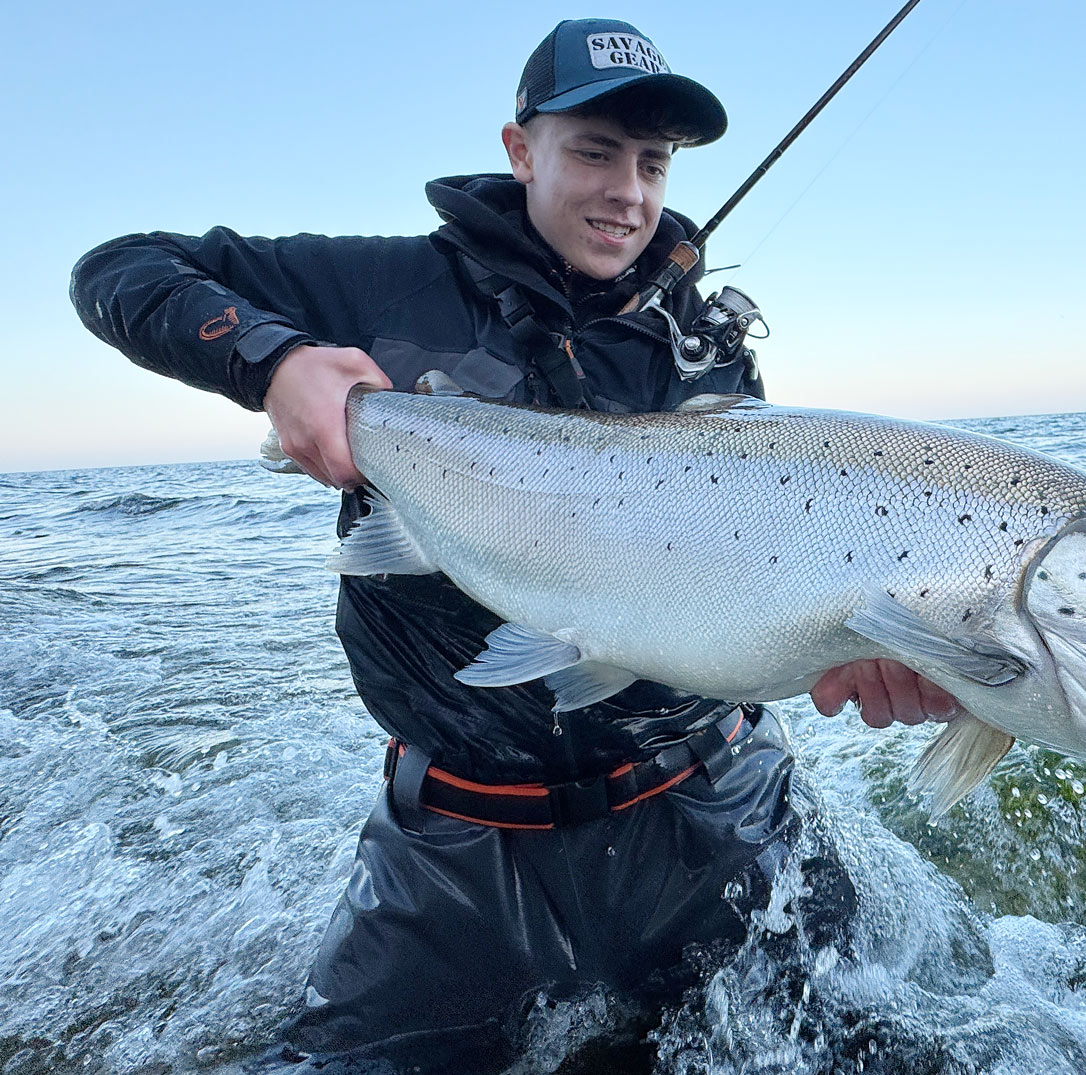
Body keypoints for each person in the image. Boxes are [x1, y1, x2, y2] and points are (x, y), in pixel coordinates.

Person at [70, 16, 957, 1073]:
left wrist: (850, 650)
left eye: (653, 163)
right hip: (459, 843)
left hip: (714, 809)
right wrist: (273, 360)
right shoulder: (382, 288)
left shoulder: (705, 351)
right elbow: (119, 269)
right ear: (520, 149)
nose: (628, 193)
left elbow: (754, 587)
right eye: (595, 152)